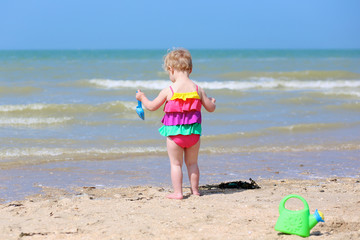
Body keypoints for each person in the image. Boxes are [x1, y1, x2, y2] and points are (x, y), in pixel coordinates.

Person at [136, 48, 216, 199]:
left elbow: (152, 106)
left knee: (176, 164)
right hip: (193, 134)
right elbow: (210, 108)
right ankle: (195, 191)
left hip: (174, 135)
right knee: (192, 163)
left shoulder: (169, 90)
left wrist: (142, 97)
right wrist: (212, 101)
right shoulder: (198, 89)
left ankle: (178, 193)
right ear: (190, 69)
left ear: (171, 69)